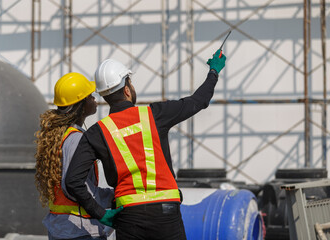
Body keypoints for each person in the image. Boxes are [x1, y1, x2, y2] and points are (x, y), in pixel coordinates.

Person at [65, 49, 226, 240]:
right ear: (127, 89)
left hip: (128, 217)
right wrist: (213, 72)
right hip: (166, 213)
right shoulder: (155, 114)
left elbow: (73, 181)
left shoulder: (96, 133)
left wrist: (101, 213)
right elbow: (198, 101)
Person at [34, 72, 115, 240]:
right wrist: (103, 210)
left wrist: (112, 196)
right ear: (81, 104)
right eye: (90, 96)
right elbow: (74, 186)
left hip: (62, 228)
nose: (94, 99)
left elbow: (77, 187)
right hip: (80, 230)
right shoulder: (77, 139)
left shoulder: (59, 136)